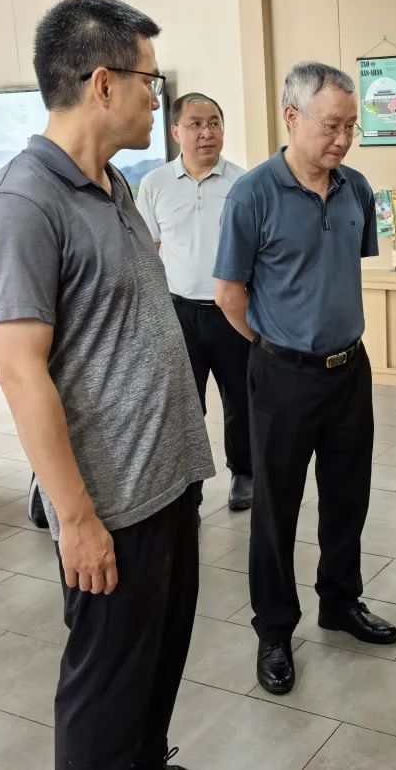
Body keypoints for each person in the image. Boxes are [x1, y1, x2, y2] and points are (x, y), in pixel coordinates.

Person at [0, 0, 212, 770]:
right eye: (150, 81)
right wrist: (75, 519)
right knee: (105, 691)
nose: (157, 98)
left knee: (157, 667)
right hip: (112, 505)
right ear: (104, 83)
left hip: (169, 482)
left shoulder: (115, 184)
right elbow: (19, 372)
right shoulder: (22, 204)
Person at [214, 61, 396, 697]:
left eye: (351, 127)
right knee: (276, 508)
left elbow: (343, 267)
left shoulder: (356, 188)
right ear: (291, 118)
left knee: (347, 496)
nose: (342, 139)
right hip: (283, 374)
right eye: (330, 126)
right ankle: (273, 629)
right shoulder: (252, 195)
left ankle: (340, 601)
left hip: (350, 370)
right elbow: (229, 293)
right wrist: (272, 345)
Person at [137, 92, 251, 514]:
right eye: (196, 124)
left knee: (241, 399)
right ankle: (189, 487)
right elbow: (148, 249)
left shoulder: (244, 183)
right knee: (185, 406)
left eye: (215, 123)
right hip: (178, 312)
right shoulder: (155, 183)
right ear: (175, 131)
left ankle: (245, 472)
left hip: (232, 310)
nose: (207, 132)